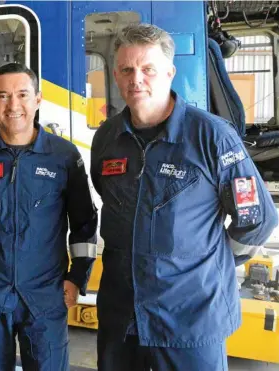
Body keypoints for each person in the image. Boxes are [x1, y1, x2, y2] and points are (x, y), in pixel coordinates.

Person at [90, 23, 278, 371]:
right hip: (122, 317)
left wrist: (214, 262)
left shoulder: (212, 136)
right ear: (115, 74)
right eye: (127, 70)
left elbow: (256, 220)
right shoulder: (107, 138)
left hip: (190, 319)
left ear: (169, 72)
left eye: (148, 69)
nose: (137, 79)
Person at [0, 63, 98, 370]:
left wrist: (77, 276)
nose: (13, 105)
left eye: (22, 95)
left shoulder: (64, 157)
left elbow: (84, 222)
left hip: (46, 296)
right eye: (3, 96)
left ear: (38, 99)